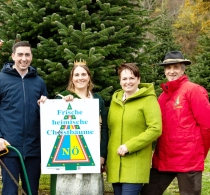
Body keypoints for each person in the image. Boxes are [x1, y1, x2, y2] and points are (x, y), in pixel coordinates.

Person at [0, 41, 48, 195]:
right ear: (13, 56)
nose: (24, 58)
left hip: (33, 149)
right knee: (10, 191)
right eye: (20, 55)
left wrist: (45, 104)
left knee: (31, 191)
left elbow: (46, 115)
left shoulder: (39, 82)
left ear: (31, 56)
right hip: (9, 147)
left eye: (27, 55)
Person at [141, 51, 210, 195]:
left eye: (176, 67)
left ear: (183, 69)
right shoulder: (162, 96)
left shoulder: (194, 90)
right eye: (168, 68)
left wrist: (199, 154)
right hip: (163, 159)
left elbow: (207, 126)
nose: (171, 71)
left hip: (188, 160)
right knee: (148, 192)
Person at [50, 59, 109, 195]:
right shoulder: (62, 98)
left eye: (83, 74)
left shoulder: (97, 99)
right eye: (76, 75)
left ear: (89, 77)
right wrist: (62, 104)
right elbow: (53, 123)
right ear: (72, 78)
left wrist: (102, 155)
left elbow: (104, 127)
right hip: (68, 154)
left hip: (91, 153)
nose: (80, 78)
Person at [106, 63, 162, 195]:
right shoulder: (115, 101)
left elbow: (155, 128)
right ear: (120, 81)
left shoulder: (148, 100)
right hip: (115, 164)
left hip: (135, 163)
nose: (128, 82)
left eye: (132, 78)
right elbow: (110, 130)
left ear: (138, 79)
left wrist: (129, 146)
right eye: (124, 79)